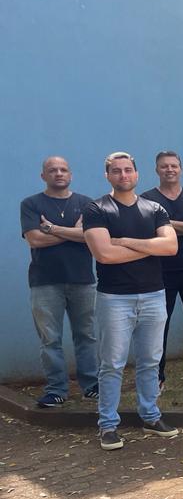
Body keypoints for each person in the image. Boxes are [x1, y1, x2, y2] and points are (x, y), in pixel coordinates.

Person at [82, 152, 179, 450]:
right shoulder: (96, 209)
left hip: (153, 294)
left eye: (128, 170)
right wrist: (152, 247)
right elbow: (104, 255)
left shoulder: (154, 208)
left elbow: (172, 246)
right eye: (116, 171)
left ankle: (150, 416)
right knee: (112, 363)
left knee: (150, 360)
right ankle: (108, 425)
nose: (123, 175)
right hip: (115, 298)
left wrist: (125, 241)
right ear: (108, 175)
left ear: (137, 174)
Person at [20, 156, 98, 407]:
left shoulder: (86, 204)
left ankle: (91, 385)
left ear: (71, 174)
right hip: (45, 282)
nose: (59, 173)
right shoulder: (31, 204)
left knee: (86, 335)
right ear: (43, 175)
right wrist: (73, 233)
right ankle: (56, 389)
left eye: (63, 169)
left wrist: (52, 229)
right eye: (52, 170)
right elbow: (35, 239)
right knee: (50, 339)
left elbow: (91, 237)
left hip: (83, 280)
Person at [141, 151, 183, 390]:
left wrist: (165, 225)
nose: (169, 170)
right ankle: (157, 377)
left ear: (181, 169)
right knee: (159, 327)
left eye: (174, 166)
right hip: (159, 273)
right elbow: (147, 232)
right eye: (164, 166)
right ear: (157, 170)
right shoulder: (146, 199)